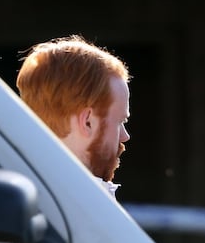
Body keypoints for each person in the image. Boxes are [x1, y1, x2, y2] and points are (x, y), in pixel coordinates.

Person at [16, 35, 131, 198]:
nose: (125, 136)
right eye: (119, 121)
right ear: (87, 122)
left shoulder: (21, 189)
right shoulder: (83, 207)